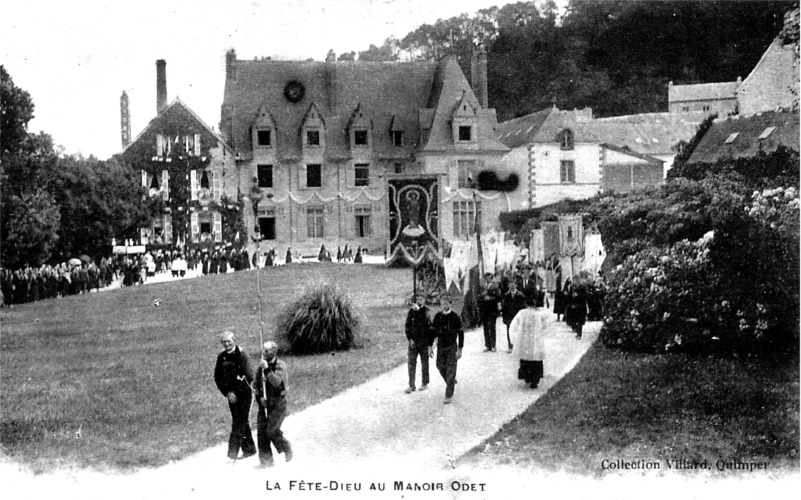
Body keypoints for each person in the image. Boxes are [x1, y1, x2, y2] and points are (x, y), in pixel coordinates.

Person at [213, 331, 257, 462]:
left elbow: (249, 376)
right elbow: (218, 377)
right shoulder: (222, 357)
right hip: (231, 395)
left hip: (244, 393)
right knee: (241, 420)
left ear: (234, 340)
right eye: (224, 342)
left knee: (238, 422)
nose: (226, 344)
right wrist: (227, 393)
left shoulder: (242, 354)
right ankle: (249, 449)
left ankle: (232, 455)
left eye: (229, 341)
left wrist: (237, 391)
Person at [253, 341, 293, 468]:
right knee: (261, 433)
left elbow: (277, 383)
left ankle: (286, 447)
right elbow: (256, 386)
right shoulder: (260, 367)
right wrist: (259, 398)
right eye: (263, 350)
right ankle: (266, 462)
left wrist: (266, 369)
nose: (263, 353)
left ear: (274, 352)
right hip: (265, 404)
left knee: (272, 431)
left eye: (266, 351)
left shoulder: (281, 365)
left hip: (278, 403)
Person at [510, 290, 548, 389]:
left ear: (526, 303)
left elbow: (514, 325)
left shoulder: (522, 313)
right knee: (535, 358)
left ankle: (527, 377)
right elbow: (546, 324)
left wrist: (514, 338)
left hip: (525, 340)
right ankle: (535, 380)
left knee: (526, 358)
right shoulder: (540, 314)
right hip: (536, 339)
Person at [431, 295, 464, 404]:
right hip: (441, 346)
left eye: (446, 303)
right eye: (442, 303)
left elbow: (460, 333)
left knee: (451, 369)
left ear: (450, 304)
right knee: (440, 366)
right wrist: (430, 346)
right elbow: (433, 333)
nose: (444, 305)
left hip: (452, 346)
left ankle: (448, 394)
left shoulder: (455, 317)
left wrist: (460, 349)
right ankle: (450, 381)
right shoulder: (437, 317)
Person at [404, 294, 432, 394]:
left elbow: (428, 327)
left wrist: (429, 344)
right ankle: (411, 384)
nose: (419, 301)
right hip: (413, 341)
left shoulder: (426, 312)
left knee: (424, 362)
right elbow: (407, 326)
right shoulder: (411, 312)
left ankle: (424, 382)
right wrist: (410, 338)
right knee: (411, 363)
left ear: (424, 300)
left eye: (421, 299)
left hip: (423, 341)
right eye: (418, 299)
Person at [501, 281, 527, 352]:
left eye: (513, 284)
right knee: (509, 331)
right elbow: (504, 307)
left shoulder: (520, 295)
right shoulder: (506, 295)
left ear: (516, 285)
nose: (511, 286)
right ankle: (510, 347)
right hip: (509, 316)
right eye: (510, 284)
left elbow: (523, 307)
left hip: (517, 316)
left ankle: (519, 347)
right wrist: (504, 317)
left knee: (518, 331)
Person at [479, 273, 502, 352]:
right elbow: (479, 296)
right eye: (486, 278)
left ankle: (493, 345)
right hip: (484, 309)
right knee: (485, 327)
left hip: (492, 309)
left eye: (489, 278)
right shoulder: (482, 286)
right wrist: (482, 297)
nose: (487, 280)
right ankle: (487, 345)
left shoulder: (495, 286)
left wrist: (490, 298)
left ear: (491, 278)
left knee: (492, 327)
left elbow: (499, 297)